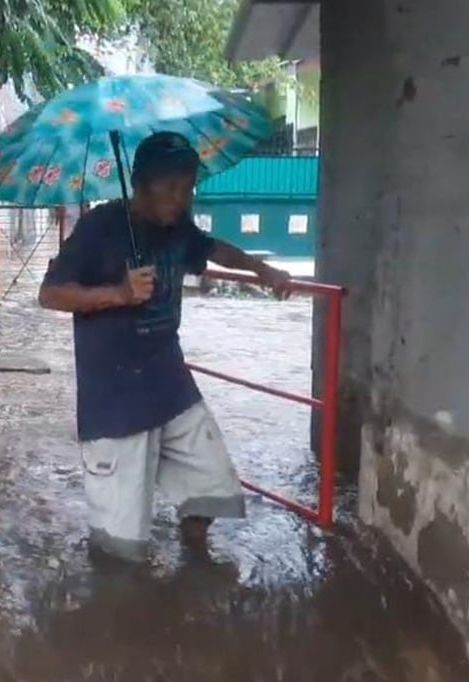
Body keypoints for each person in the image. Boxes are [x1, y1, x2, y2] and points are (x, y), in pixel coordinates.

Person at [38, 131, 292, 562]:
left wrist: (261, 269)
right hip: (114, 399)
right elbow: (51, 294)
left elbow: (212, 249)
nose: (181, 198)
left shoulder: (177, 227)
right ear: (141, 184)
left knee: (213, 489)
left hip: (170, 385)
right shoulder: (101, 226)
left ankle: (193, 558)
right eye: (171, 187)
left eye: (188, 188)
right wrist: (118, 294)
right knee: (122, 546)